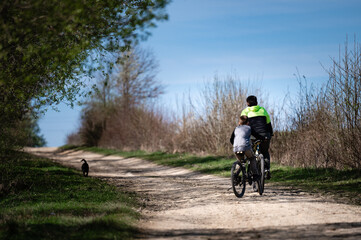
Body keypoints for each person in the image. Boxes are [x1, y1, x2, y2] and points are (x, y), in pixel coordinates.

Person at [241, 95, 273, 179]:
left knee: (249, 153)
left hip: (251, 135)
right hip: (264, 135)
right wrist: (270, 134)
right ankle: (266, 169)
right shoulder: (263, 110)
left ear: (247, 103)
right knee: (265, 151)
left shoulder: (245, 111)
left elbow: (242, 125)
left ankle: (250, 169)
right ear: (257, 102)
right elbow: (268, 124)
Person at [230, 115, 259, 181]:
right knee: (252, 158)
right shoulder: (249, 128)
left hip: (236, 148)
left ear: (239, 123)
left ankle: (235, 175)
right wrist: (263, 138)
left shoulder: (236, 129)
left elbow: (231, 139)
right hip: (246, 147)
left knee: (240, 161)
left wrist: (235, 145)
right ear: (248, 123)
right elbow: (257, 135)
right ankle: (255, 175)